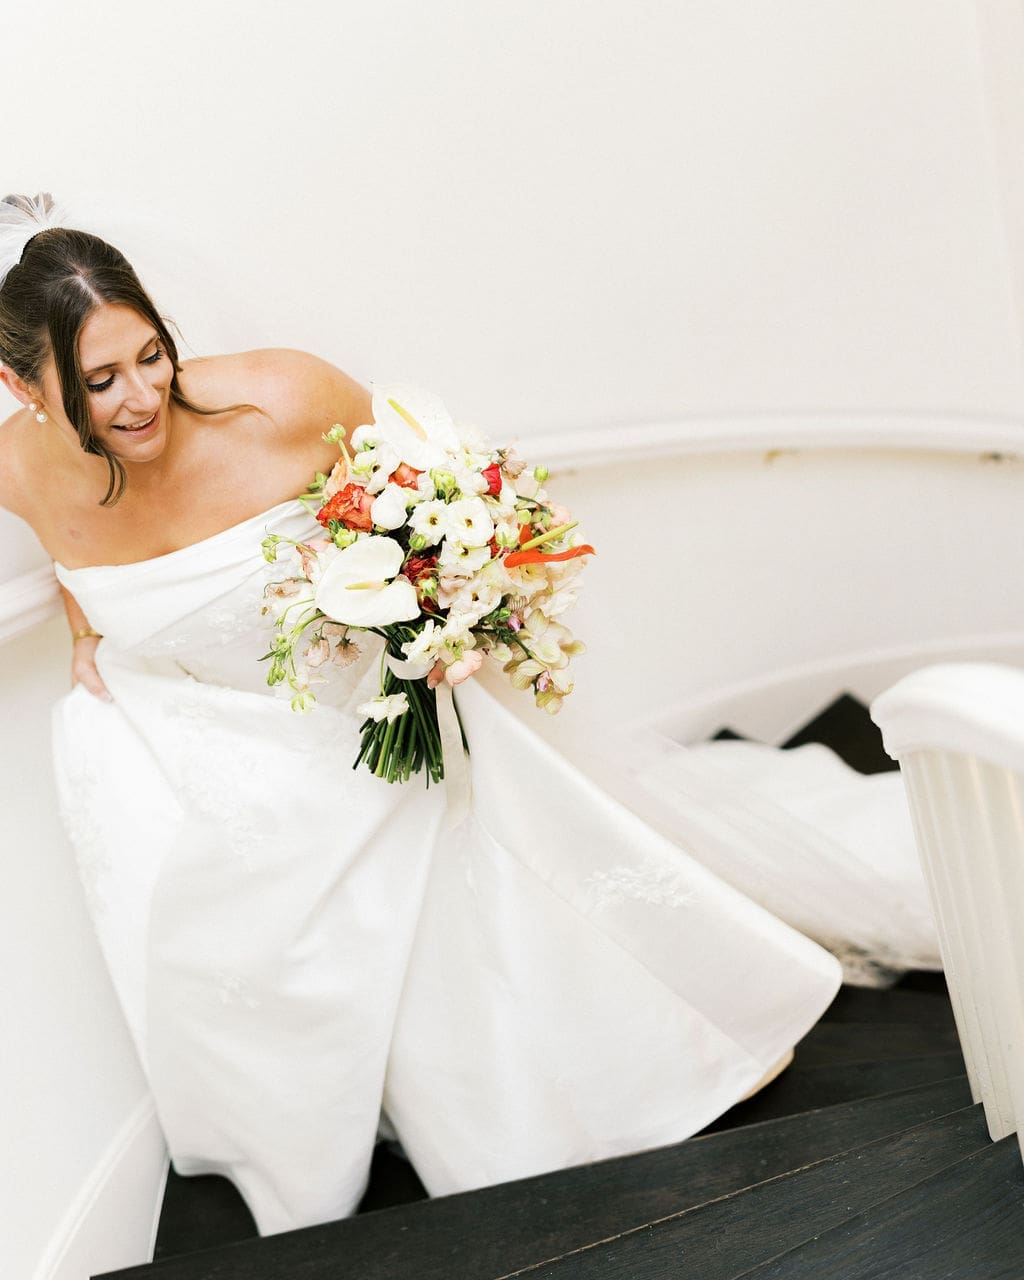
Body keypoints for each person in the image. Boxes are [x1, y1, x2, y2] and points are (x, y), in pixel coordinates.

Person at [0, 194, 852, 1237]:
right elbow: (71, 550)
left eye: (150, 355)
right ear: (20, 386)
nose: (140, 396)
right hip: (216, 724)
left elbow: (424, 487)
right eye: (98, 380)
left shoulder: (282, 395)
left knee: (420, 841)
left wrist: (447, 598)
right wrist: (86, 630)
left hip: (358, 698)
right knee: (204, 865)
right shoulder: (16, 466)